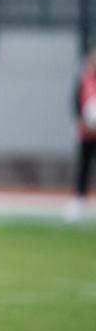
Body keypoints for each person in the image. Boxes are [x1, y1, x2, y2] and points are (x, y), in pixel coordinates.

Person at [69, 48, 96, 221]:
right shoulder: (84, 79)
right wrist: (82, 121)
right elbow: (75, 102)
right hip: (87, 133)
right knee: (84, 167)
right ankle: (79, 201)